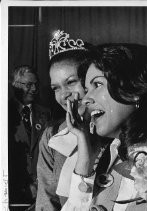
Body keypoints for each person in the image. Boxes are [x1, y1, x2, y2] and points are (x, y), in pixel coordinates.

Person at [61, 43, 147, 211]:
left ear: (134, 88)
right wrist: (84, 157)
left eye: (97, 85)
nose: (86, 99)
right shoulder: (110, 154)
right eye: (86, 89)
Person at [35, 30, 106, 211]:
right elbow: (46, 202)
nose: (64, 94)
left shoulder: (112, 129)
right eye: (56, 88)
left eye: (71, 82)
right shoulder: (52, 137)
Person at [8, 65, 51, 208]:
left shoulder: (46, 114)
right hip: (13, 192)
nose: (34, 89)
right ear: (15, 85)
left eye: (36, 85)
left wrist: (39, 183)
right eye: (29, 85)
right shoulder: (5, 113)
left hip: (42, 190)